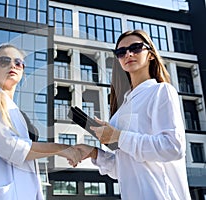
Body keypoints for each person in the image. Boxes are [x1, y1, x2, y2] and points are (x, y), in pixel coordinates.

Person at [74, 30, 191, 199]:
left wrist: (118, 136)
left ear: (150, 54)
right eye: (121, 52)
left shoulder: (161, 91)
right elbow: (126, 169)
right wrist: (94, 153)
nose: (128, 54)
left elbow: (173, 147)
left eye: (136, 48)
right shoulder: (121, 109)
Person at [0, 44, 81, 200]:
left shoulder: (17, 111)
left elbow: (29, 163)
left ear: (22, 70)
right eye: (4, 61)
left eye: (18, 63)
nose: (12, 65)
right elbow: (9, 148)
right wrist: (61, 149)